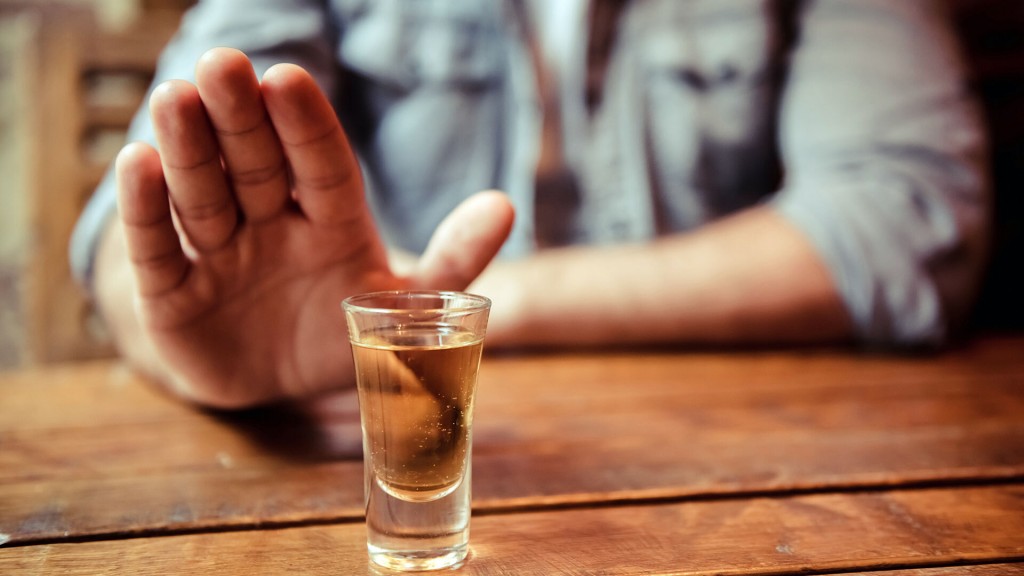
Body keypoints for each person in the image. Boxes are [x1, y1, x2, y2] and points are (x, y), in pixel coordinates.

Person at [69, 0, 990, 408]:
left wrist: (449, 314)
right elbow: (130, 210)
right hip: (366, 425)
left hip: (729, 455)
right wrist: (192, 354)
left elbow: (907, 219)